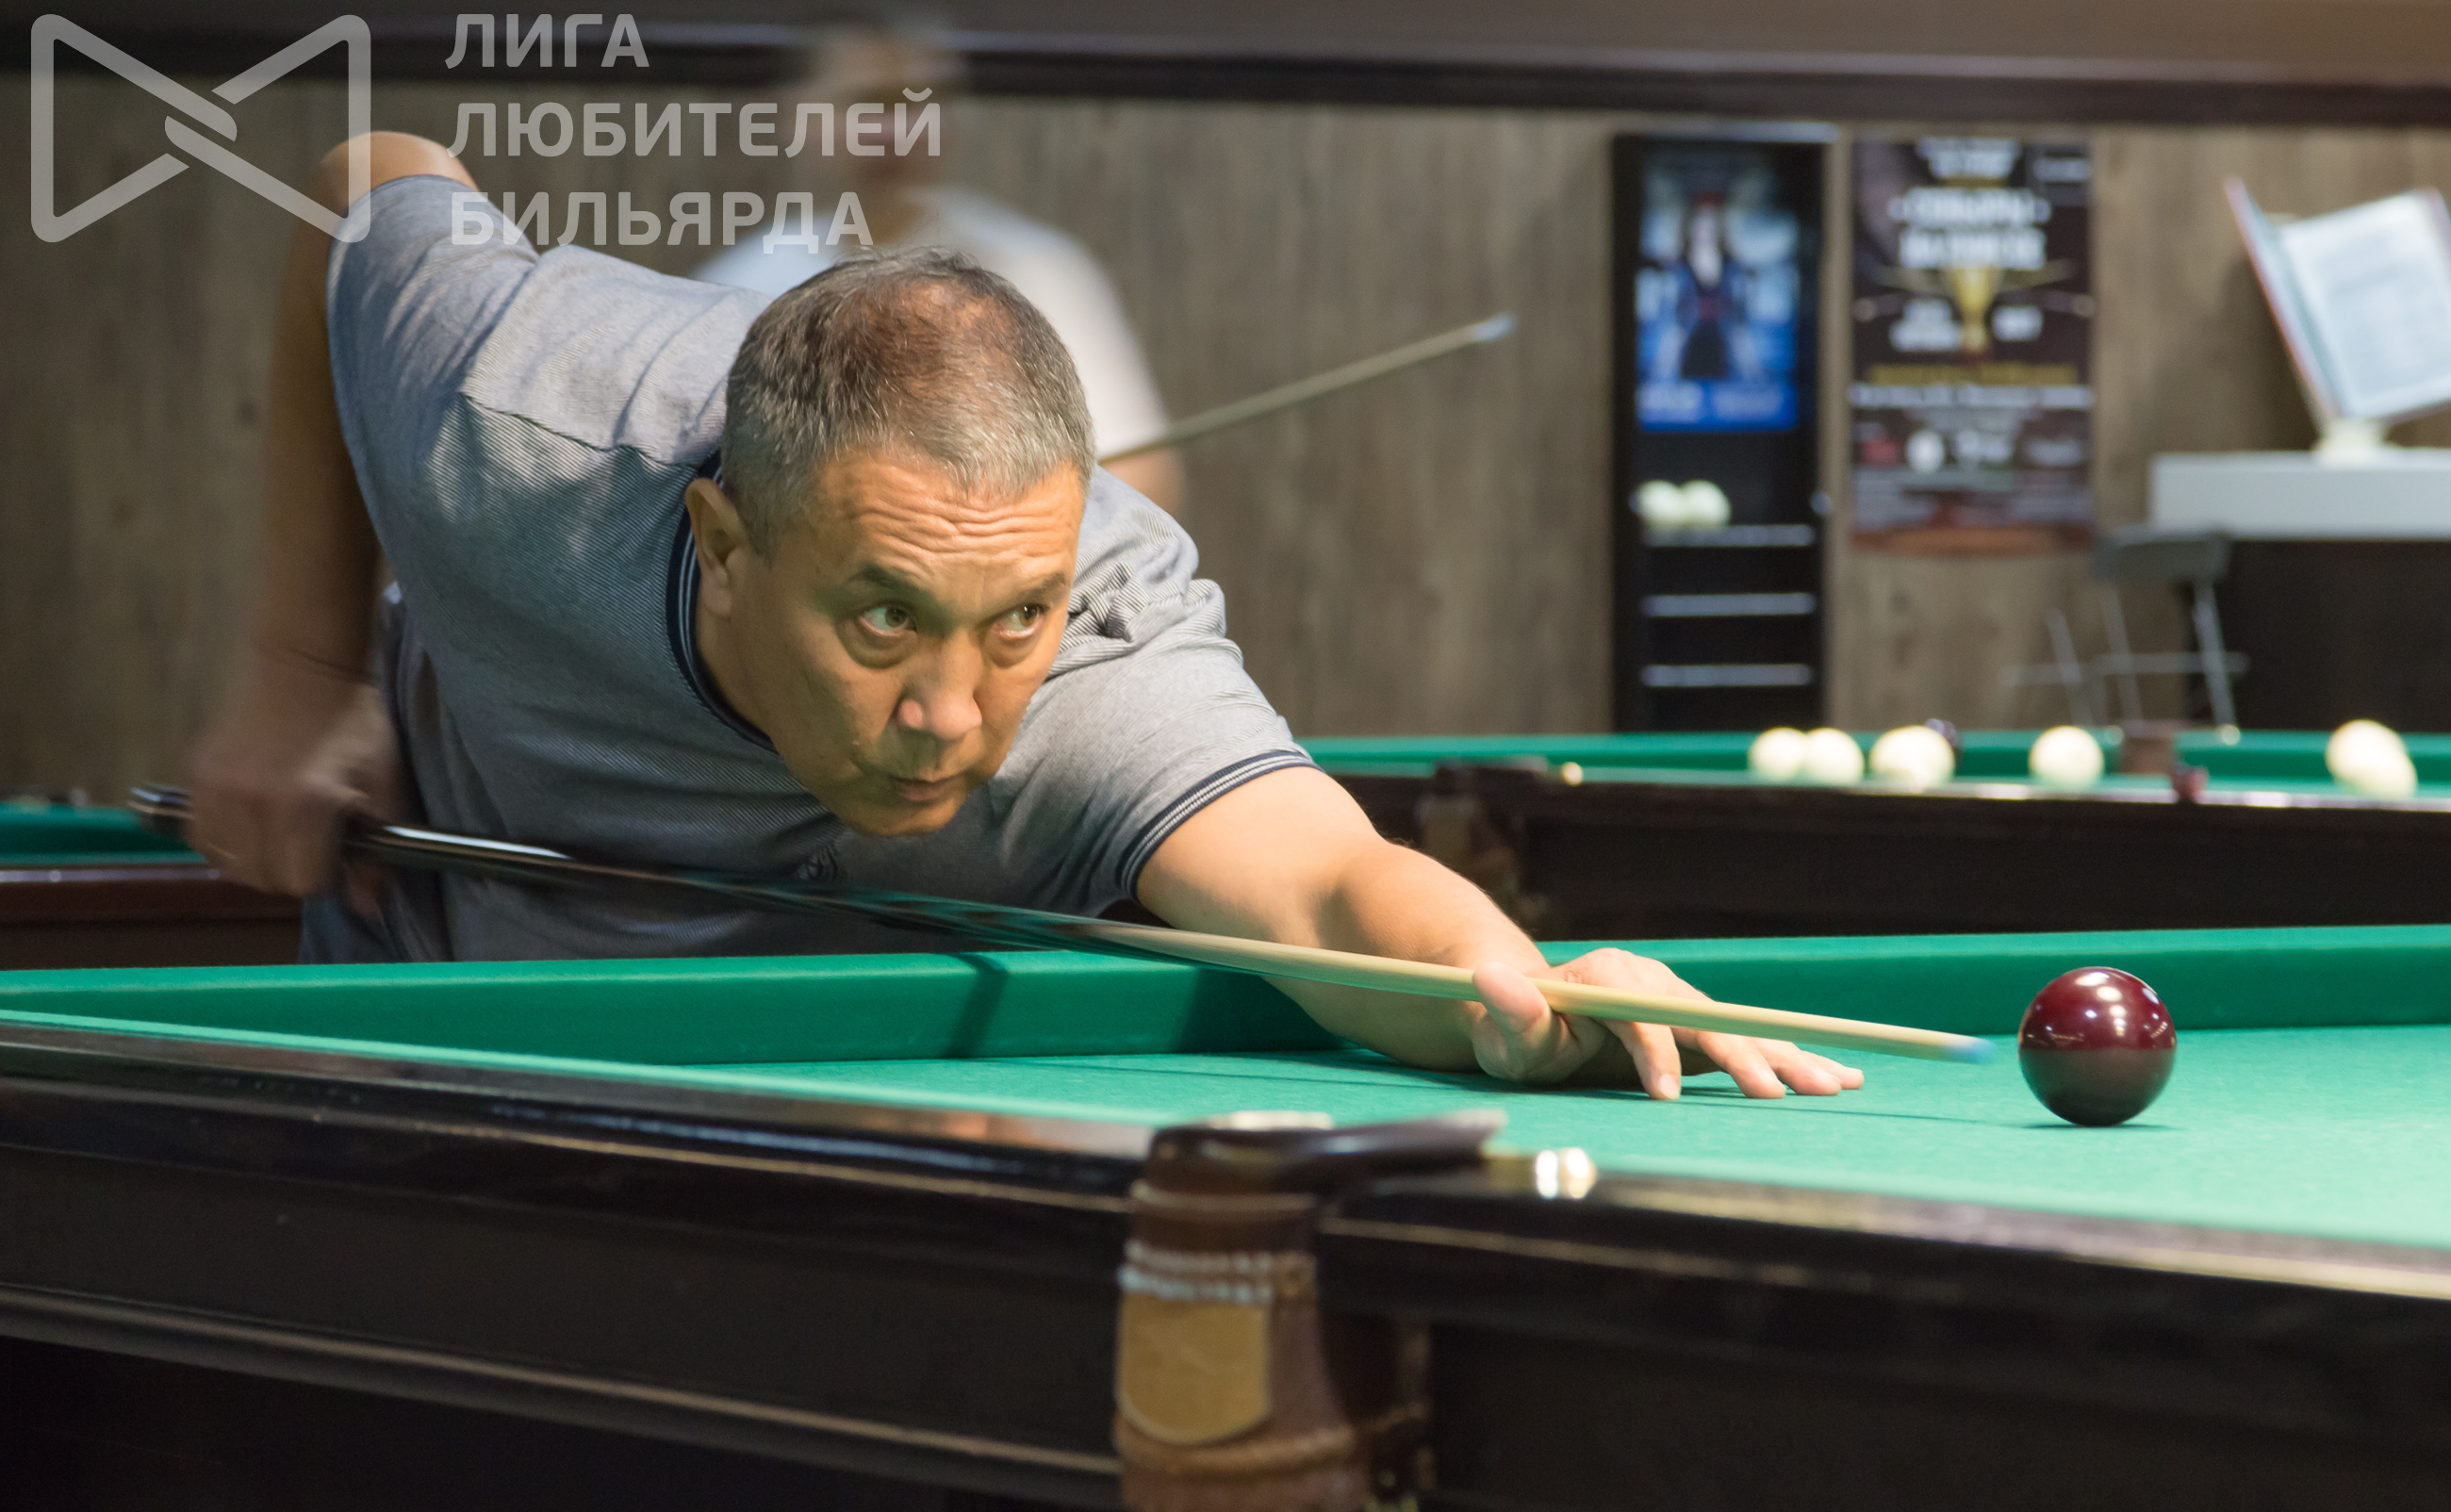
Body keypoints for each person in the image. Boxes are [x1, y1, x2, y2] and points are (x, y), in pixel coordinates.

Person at [189, 132, 1862, 1101]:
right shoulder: (516, 415)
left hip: (869, 1099)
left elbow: (1329, 886)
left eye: (1013, 622)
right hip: (433, 1013)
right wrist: (301, 667)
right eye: (883, 621)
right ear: (726, 540)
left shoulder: (1104, 645)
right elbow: (359, 189)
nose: (953, 716)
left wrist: (1522, 992)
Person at [695, 29, 1185, 517]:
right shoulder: (737, 284)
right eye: (868, 104)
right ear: (797, 113)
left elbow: (1139, 479)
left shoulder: (1041, 270)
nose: (897, 131)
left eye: (920, 102)